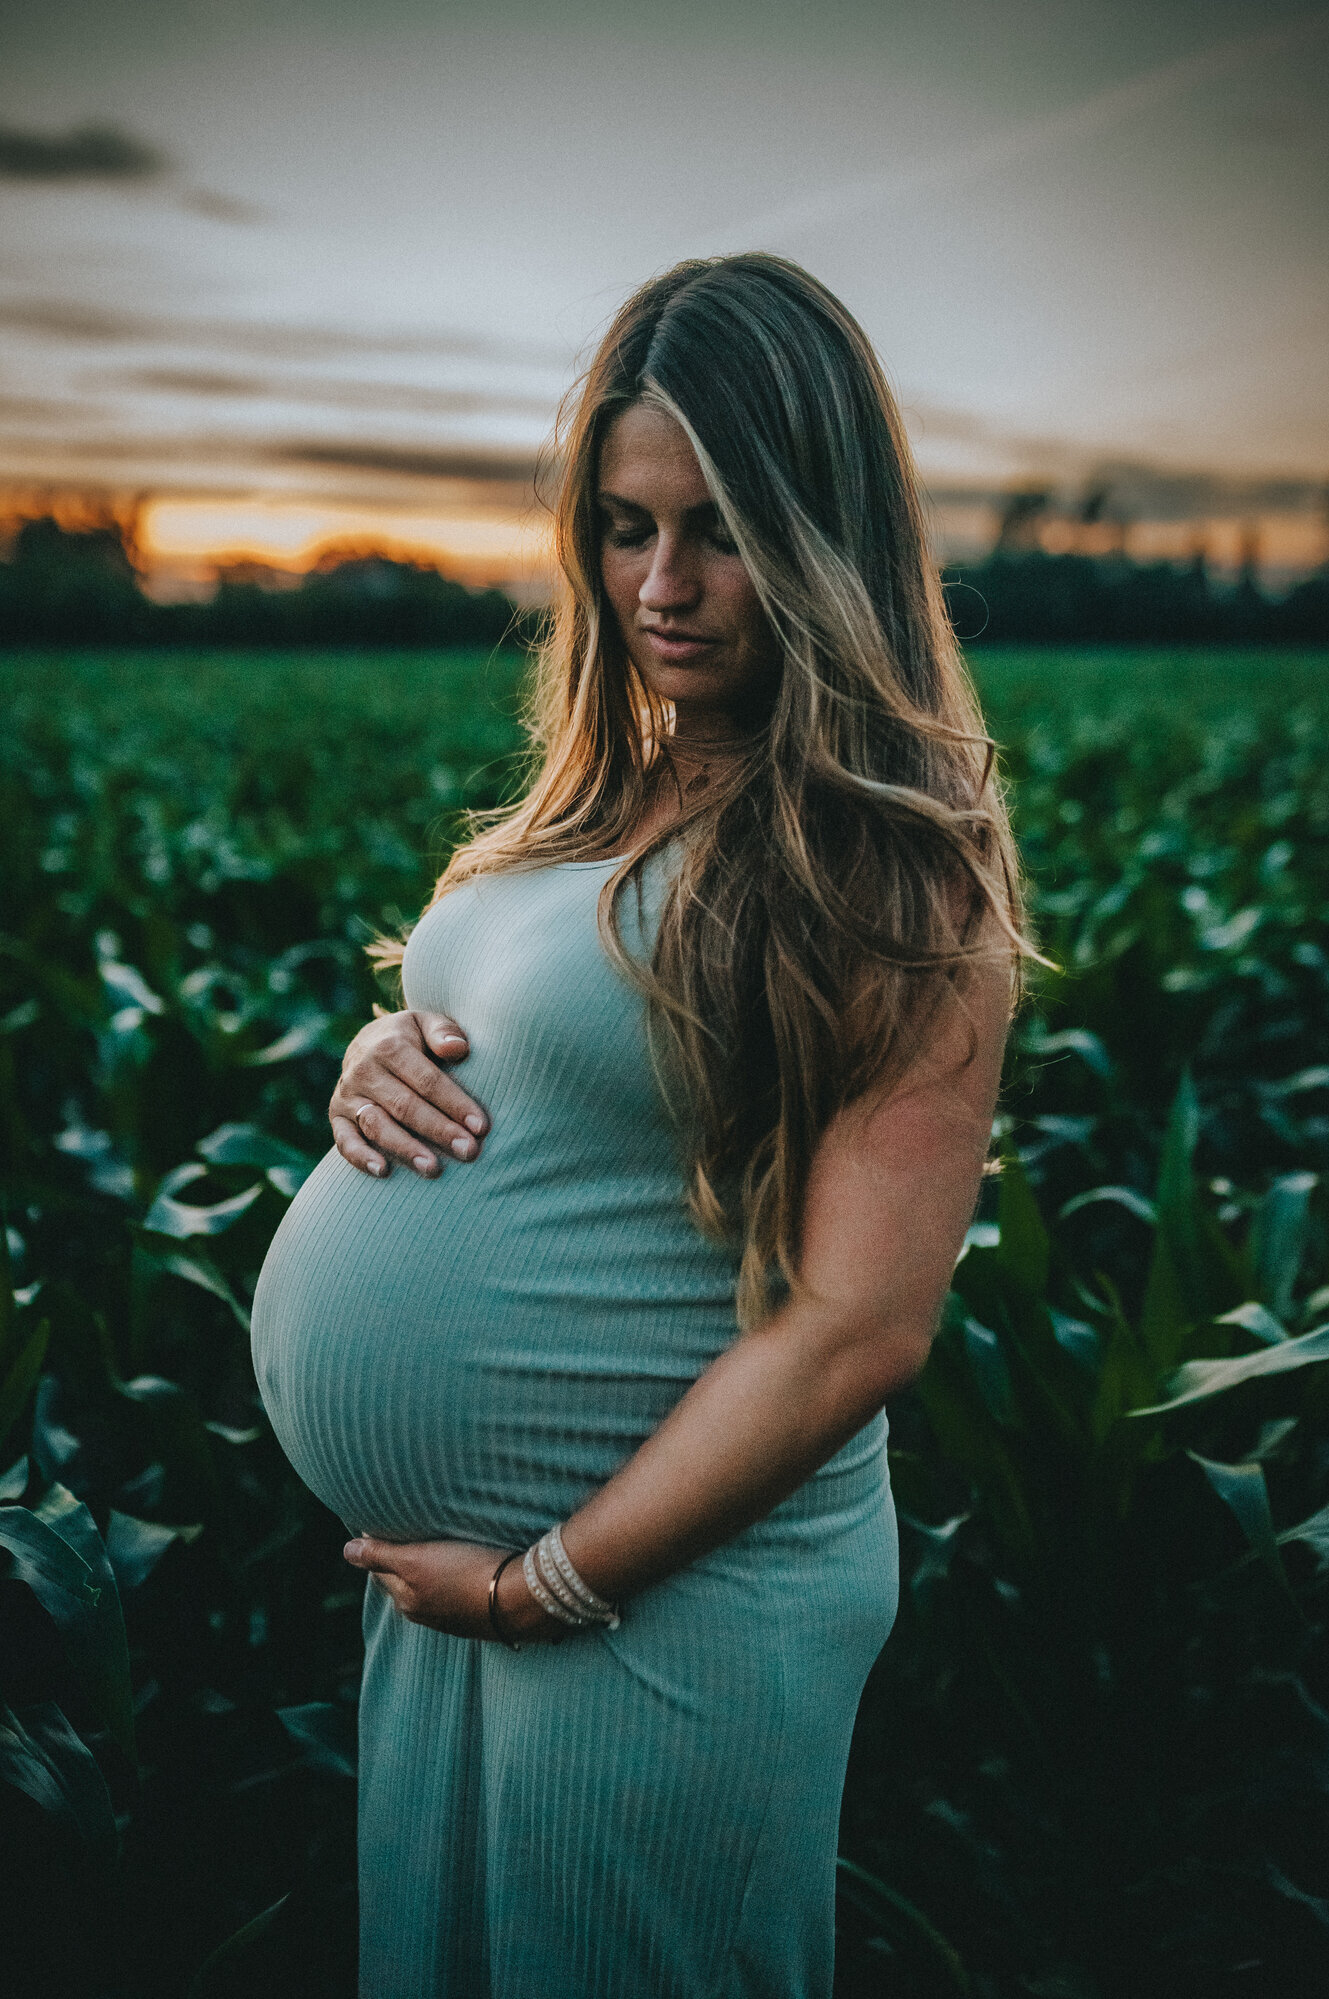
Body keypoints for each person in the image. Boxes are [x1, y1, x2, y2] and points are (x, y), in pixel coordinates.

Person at [250, 251, 1027, 1999]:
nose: (661, 585)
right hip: (455, 1595)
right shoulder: (603, 782)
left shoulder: (892, 860)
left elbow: (857, 1326)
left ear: (827, 541)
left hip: (658, 1603)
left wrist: (549, 1586)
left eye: (722, 530)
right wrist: (370, 1061)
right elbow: (549, 1063)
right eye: (621, 525)